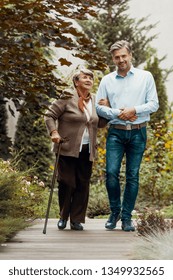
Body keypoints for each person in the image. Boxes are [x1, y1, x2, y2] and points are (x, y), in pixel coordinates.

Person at [96, 40, 159, 231]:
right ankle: (114, 212)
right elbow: (99, 107)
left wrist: (134, 110)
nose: (121, 60)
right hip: (116, 132)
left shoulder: (145, 77)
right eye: (117, 57)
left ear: (130, 55)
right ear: (113, 59)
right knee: (111, 174)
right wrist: (117, 113)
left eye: (124, 56)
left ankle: (126, 217)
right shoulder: (107, 80)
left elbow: (153, 104)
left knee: (132, 176)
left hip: (138, 132)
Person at [44, 68, 99, 231]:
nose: (89, 80)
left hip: (88, 149)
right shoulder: (67, 97)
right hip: (67, 147)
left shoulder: (95, 100)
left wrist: (108, 112)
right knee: (67, 183)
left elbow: (99, 123)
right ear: (76, 82)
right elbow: (49, 115)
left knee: (83, 183)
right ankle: (63, 216)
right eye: (85, 77)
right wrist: (54, 132)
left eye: (91, 77)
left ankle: (76, 220)